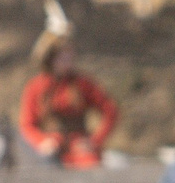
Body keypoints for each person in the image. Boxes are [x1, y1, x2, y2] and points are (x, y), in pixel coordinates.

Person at [18, 31, 118, 169]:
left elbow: (111, 111)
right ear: (50, 58)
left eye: (70, 56)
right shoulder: (35, 87)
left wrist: (94, 141)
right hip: (50, 149)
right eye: (62, 57)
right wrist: (42, 142)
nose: (68, 61)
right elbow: (27, 124)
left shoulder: (82, 83)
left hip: (79, 149)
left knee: (90, 173)